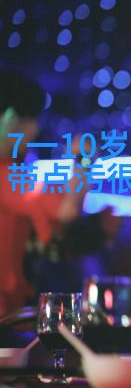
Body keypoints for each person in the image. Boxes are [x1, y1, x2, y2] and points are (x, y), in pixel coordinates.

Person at [0, 70, 86, 317]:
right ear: (10, 118)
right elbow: (66, 208)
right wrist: (82, 159)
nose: (36, 130)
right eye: (33, 120)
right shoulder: (6, 176)